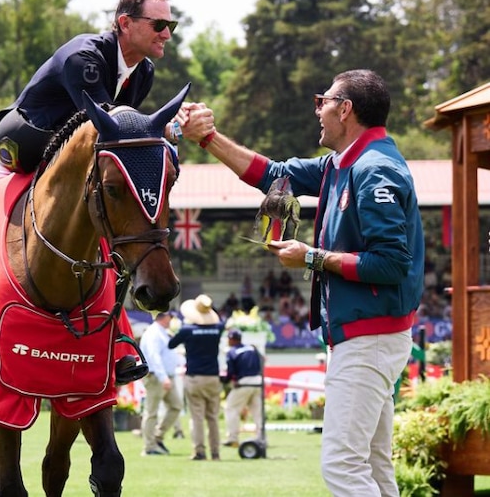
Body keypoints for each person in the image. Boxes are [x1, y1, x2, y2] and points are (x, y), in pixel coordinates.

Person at [0, 0, 215, 363]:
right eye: (159, 24)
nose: (167, 33)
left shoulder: (143, 72)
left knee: (115, 228)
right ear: (125, 23)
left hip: (70, 173)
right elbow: (105, 125)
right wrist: (175, 128)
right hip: (22, 153)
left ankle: (118, 339)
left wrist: (172, 135)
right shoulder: (84, 58)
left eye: (171, 24)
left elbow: (123, 145)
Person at [181, 69, 424, 495]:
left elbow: (390, 264)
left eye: (322, 101)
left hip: (370, 336)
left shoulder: (374, 169)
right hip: (371, 333)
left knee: (342, 467)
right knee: (373, 464)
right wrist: (208, 139)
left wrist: (311, 257)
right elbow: (272, 173)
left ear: (345, 109)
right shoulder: (343, 163)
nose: (318, 111)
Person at [169, 294, 225, 460]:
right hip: (213, 377)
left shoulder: (187, 330)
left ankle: (199, 451)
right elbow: (220, 322)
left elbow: (171, 344)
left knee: (197, 417)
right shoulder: (218, 328)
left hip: (194, 377)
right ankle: (215, 452)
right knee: (213, 417)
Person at [139, 311, 183, 456]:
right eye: (170, 317)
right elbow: (154, 357)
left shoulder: (162, 332)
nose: (171, 320)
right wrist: (163, 377)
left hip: (166, 376)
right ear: (165, 317)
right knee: (151, 412)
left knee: (176, 406)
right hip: (157, 377)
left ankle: (157, 437)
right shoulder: (154, 333)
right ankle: (149, 446)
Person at [222, 329, 263, 448]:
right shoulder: (252, 348)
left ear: (231, 339)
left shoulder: (232, 352)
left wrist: (226, 380)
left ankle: (233, 438)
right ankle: (262, 437)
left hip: (244, 383)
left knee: (231, 409)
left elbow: (231, 372)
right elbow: (261, 362)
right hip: (257, 381)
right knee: (258, 412)